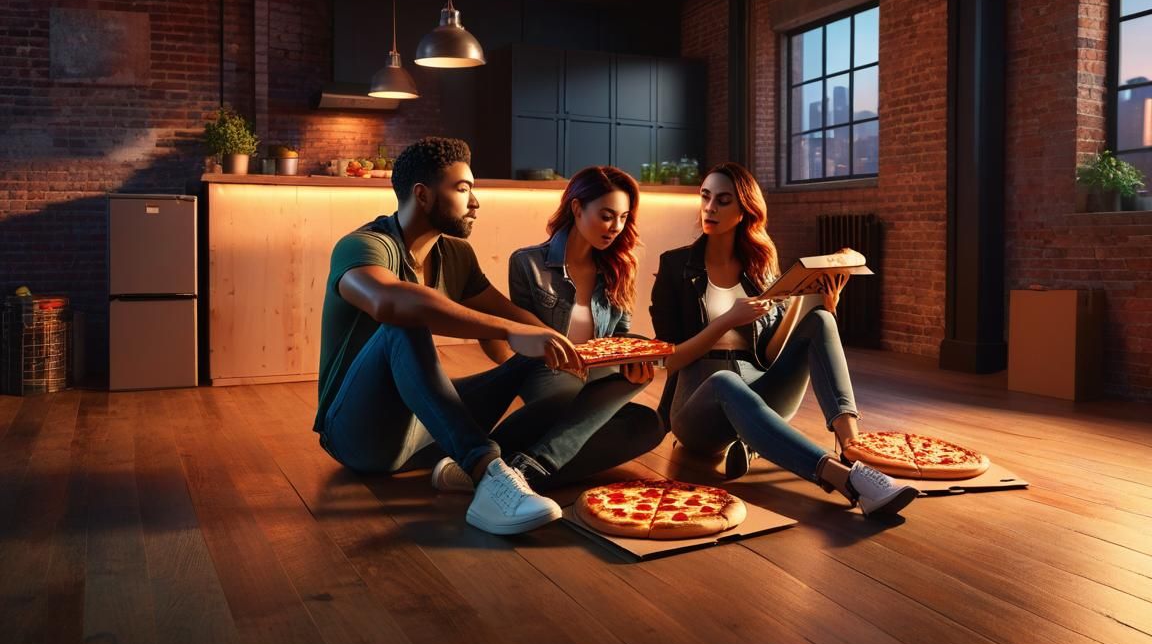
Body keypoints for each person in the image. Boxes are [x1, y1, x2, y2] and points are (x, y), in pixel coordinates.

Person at [314, 136, 589, 536]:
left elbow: (507, 319)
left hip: (425, 433)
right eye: (462, 189)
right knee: (404, 321)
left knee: (539, 356)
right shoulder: (363, 246)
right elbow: (389, 302)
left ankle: (488, 464)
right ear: (422, 195)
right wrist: (511, 331)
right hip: (358, 435)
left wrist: (568, 353)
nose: (475, 202)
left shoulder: (455, 255)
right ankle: (488, 475)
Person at [649, 161, 917, 518]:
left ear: (745, 210)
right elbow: (668, 360)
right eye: (706, 197)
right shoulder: (675, 266)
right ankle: (843, 479)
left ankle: (854, 451)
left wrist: (822, 304)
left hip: (760, 386)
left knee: (820, 319)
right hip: (698, 405)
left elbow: (771, 352)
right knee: (725, 381)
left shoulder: (760, 265)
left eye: (723, 200)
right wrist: (728, 320)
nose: (710, 207)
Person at [475, 166, 665, 488]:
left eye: (623, 218)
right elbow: (524, 338)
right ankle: (513, 462)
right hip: (550, 370)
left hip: (600, 375)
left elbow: (619, 337)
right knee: (568, 400)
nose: (616, 228)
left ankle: (525, 467)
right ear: (577, 208)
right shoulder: (527, 263)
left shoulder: (620, 267)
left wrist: (637, 360)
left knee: (650, 423)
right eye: (606, 216)